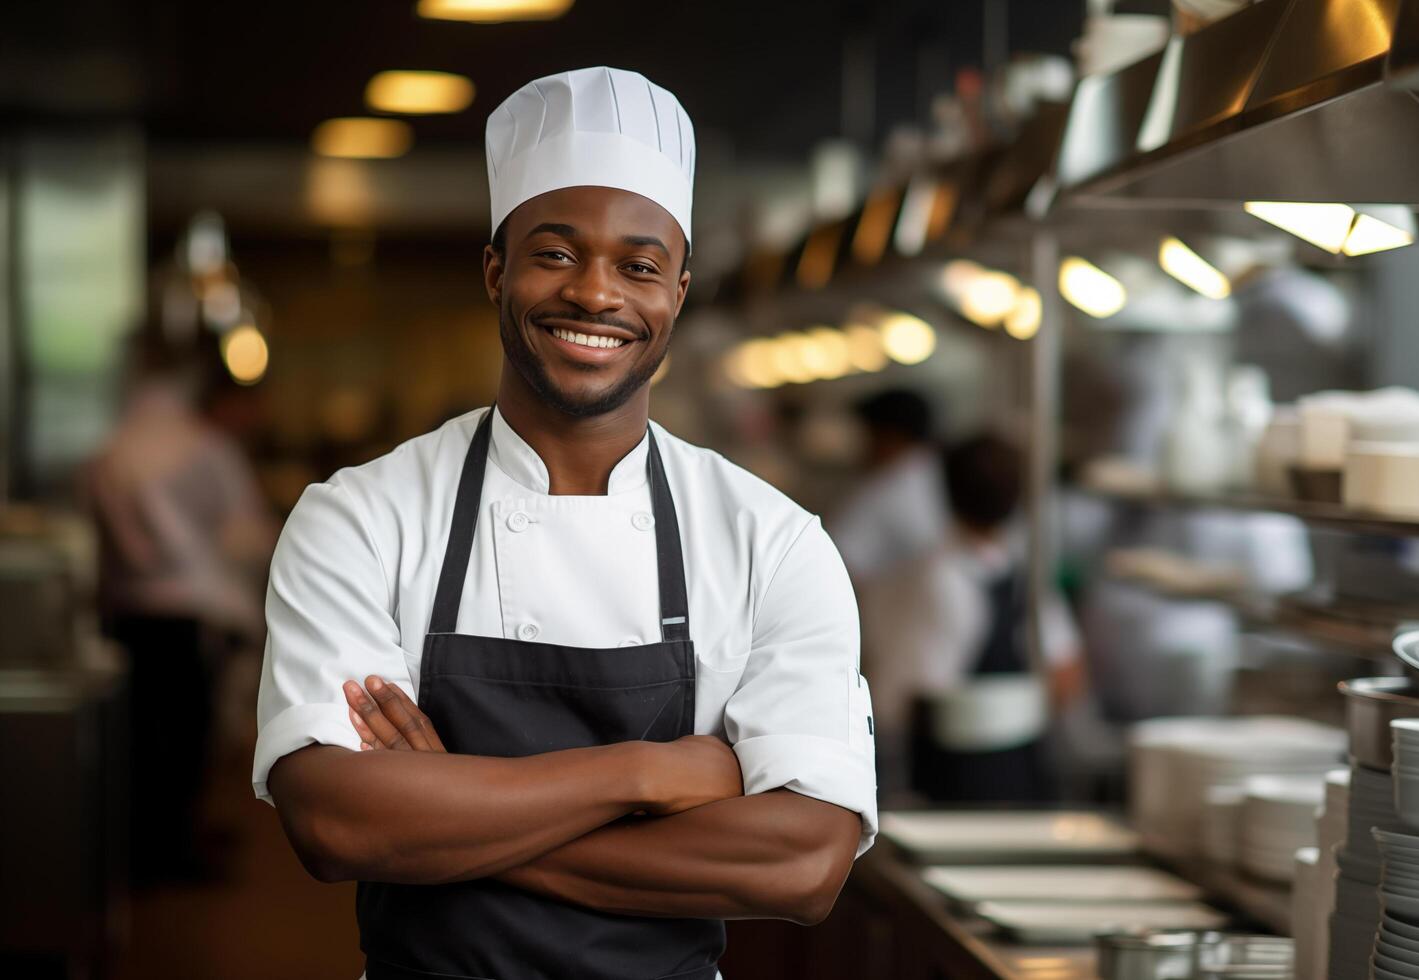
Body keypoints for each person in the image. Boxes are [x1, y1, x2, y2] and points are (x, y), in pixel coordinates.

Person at [254, 67, 876, 980]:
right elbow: (339, 822)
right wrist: (647, 775)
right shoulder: (361, 517)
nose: (595, 294)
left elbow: (804, 862)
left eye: (639, 265)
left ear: (679, 292)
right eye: (555, 253)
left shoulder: (772, 543)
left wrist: (446, 815)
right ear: (496, 270)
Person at [85, 331, 276, 883]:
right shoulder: (203, 447)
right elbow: (247, 537)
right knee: (186, 738)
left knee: (144, 738)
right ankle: (174, 850)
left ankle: (153, 846)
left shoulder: (112, 450)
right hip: (191, 613)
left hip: (127, 612)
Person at [860, 432, 1084, 804]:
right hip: (1016, 782)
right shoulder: (1026, 582)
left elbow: (893, 699)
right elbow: (1067, 678)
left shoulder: (920, 580)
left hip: (944, 783)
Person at [829, 388, 947, 585]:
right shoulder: (936, 474)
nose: (861, 444)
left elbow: (834, 564)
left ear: (889, 436)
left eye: (867, 434)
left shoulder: (885, 491)